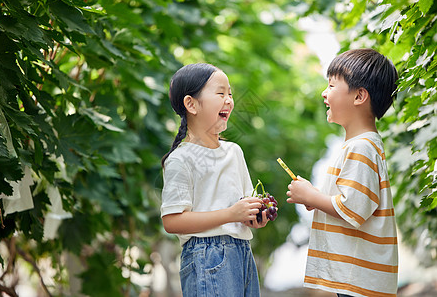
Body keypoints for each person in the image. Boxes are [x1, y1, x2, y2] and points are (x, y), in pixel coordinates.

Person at [286, 49, 399, 297]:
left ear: (359, 96)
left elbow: (355, 208)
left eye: (331, 85)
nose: (324, 93)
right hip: (357, 276)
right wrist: (315, 196)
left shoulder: (361, 147)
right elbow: (353, 199)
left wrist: (313, 198)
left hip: (358, 277)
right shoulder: (360, 145)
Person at [161, 63, 269, 297]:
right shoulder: (181, 159)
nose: (229, 100)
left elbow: (243, 209)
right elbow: (172, 221)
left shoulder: (234, 152)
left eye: (230, 94)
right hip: (205, 256)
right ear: (191, 104)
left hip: (242, 252)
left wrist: (255, 216)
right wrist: (232, 214)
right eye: (220, 93)